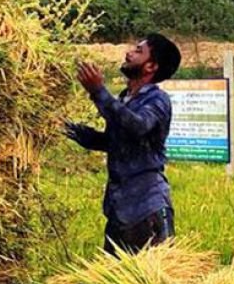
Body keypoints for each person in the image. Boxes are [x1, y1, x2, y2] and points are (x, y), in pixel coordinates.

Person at [64, 33, 182, 255]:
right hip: (120, 209)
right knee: (115, 282)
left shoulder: (157, 100)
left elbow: (137, 126)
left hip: (147, 208)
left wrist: (98, 92)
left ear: (151, 67)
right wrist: (67, 128)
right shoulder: (125, 98)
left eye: (138, 51)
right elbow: (113, 142)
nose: (129, 53)